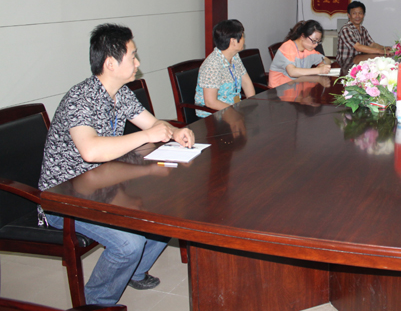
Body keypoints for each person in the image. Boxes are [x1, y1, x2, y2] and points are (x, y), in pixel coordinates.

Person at [38, 23, 195, 305]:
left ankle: (135, 271)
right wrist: (147, 136)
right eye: (132, 56)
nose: (138, 62)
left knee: (165, 214)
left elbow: (153, 124)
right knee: (129, 243)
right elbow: (90, 150)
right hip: (64, 199)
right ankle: (96, 302)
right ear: (110, 63)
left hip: (104, 185)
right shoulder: (80, 98)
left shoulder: (120, 93)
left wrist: (175, 132)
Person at [194, 19, 255, 117]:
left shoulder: (235, 57)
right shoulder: (212, 65)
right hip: (213, 115)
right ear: (233, 41)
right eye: (242, 36)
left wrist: (253, 104)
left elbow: (246, 83)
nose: (244, 39)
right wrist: (236, 113)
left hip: (233, 111)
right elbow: (210, 102)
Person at [268, 20, 332, 88]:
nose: (316, 45)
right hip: (279, 90)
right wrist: (319, 70)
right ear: (302, 36)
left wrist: (322, 65)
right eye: (314, 41)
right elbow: (292, 72)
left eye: (318, 42)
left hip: (297, 87)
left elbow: (326, 60)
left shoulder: (308, 49)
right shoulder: (288, 47)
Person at [336, 1, 392, 67]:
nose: (357, 16)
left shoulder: (363, 29)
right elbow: (358, 47)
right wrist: (380, 51)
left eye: (360, 13)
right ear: (349, 15)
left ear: (363, 15)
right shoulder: (346, 29)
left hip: (359, 63)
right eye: (354, 13)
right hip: (346, 65)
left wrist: (384, 48)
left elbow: (372, 44)